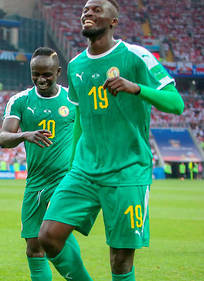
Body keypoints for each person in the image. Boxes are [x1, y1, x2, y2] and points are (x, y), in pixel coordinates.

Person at [37, 1, 184, 281]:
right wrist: (71, 167)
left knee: (120, 258)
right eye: (85, 10)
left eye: (96, 9)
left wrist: (136, 88)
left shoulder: (135, 56)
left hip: (127, 170)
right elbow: (80, 120)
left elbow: (176, 103)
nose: (87, 13)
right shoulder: (77, 64)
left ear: (114, 21)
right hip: (85, 170)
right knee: (49, 236)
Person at [0, 47, 79, 281]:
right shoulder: (21, 101)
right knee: (34, 248)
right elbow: (3, 138)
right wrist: (24, 135)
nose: (41, 79)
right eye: (35, 74)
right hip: (35, 183)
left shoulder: (72, 99)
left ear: (58, 72)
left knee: (54, 237)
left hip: (65, 180)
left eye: (47, 74)